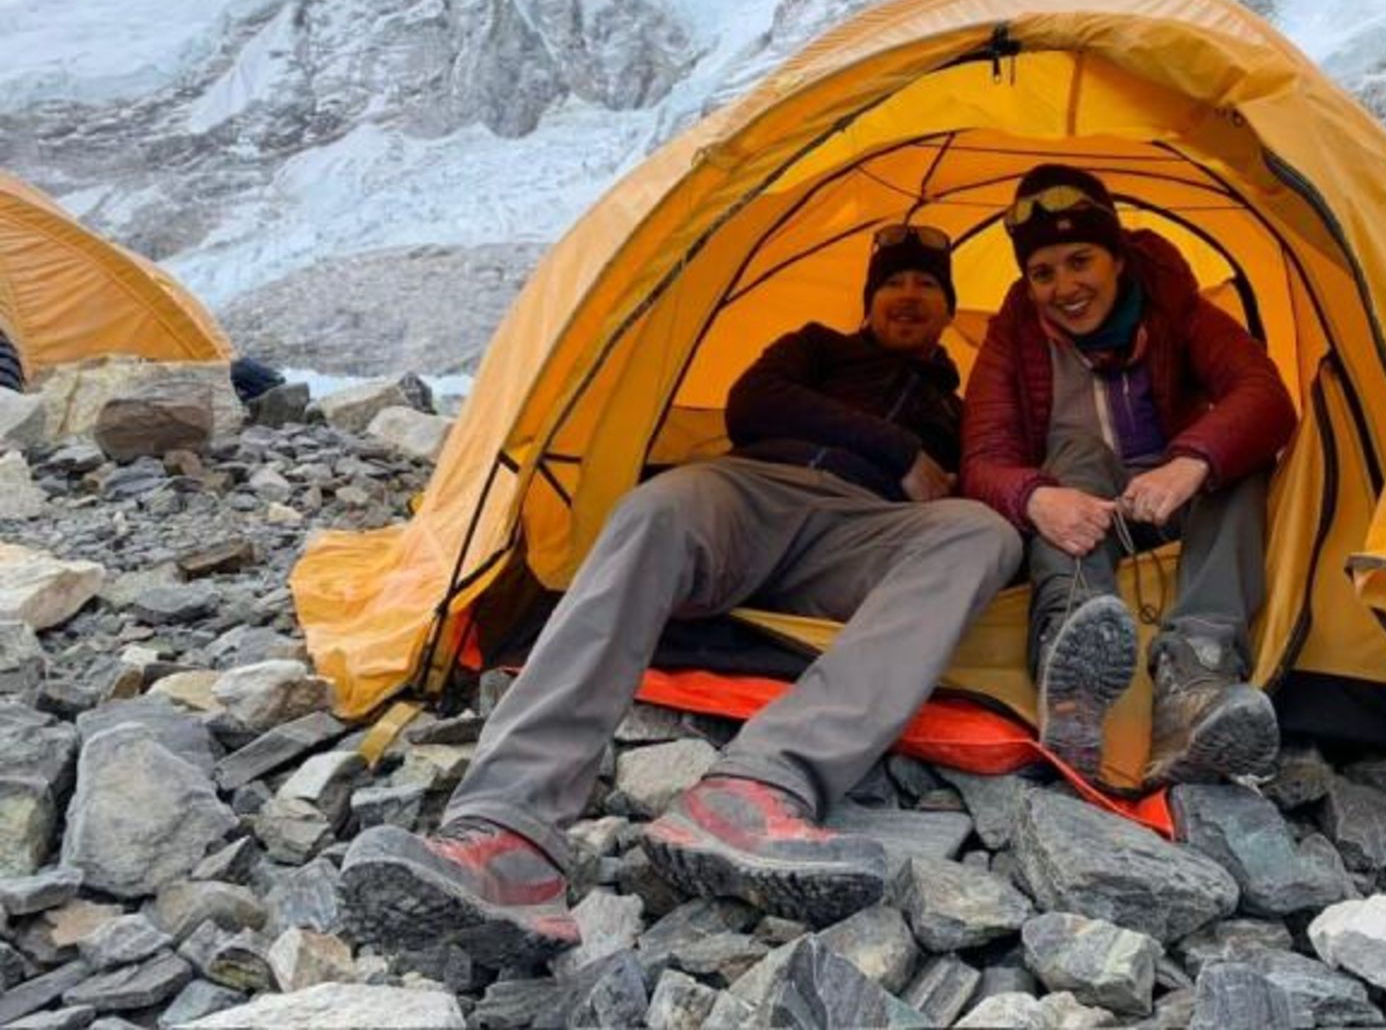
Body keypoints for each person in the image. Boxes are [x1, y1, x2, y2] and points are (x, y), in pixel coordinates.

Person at [342, 225, 1022, 963]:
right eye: (896, 283)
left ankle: (758, 789)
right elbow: (754, 404)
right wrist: (900, 451)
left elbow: (990, 475)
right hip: (752, 492)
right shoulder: (819, 347)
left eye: (927, 286)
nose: (910, 296)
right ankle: (507, 833)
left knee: (981, 533)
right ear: (870, 302)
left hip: (865, 533)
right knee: (656, 509)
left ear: (950, 310)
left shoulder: (958, 409)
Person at [962, 164, 1297, 789]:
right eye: (1043, 273)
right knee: (1076, 457)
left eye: (1080, 260)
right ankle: (1071, 668)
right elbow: (982, 457)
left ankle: (1196, 674)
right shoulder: (1012, 338)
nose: (1065, 287)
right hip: (1086, 519)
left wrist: (1192, 460)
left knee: (1240, 461)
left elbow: (1266, 395)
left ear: (1116, 257)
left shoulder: (1175, 306)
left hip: (1170, 501)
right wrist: (1036, 498)